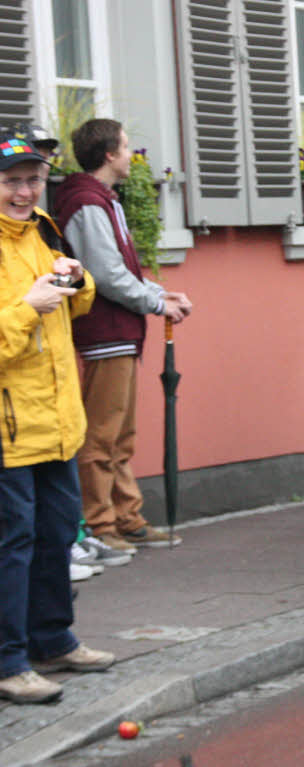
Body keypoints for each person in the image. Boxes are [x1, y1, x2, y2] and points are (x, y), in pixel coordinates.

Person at [0, 132, 114, 704]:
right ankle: (8, 661)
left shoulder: (44, 227)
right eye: (12, 181)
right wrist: (26, 308)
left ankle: (52, 638)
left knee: (54, 538)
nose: (24, 191)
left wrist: (76, 280)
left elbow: (82, 302)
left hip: (58, 417)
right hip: (9, 428)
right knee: (11, 545)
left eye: (33, 179)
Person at [52, 119, 192, 554]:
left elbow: (122, 271)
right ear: (109, 155)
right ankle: (100, 523)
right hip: (104, 332)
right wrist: (155, 303)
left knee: (120, 434)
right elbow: (106, 275)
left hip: (119, 332)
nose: (132, 155)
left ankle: (126, 517)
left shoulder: (101, 200)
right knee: (101, 436)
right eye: (127, 147)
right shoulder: (86, 203)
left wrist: (158, 293)